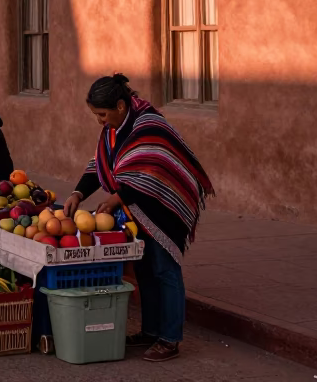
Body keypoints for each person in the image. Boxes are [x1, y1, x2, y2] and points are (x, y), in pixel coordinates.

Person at [64, 74, 214, 363]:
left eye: (102, 114)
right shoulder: (113, 129)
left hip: (163, 206)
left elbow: (147, 171)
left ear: (120, 105)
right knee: (144, 271)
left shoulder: (149, 125)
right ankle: (151, 331)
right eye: (96, 115)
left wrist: (114, 199)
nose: (100, 121)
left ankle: (169, 339)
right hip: (136, 209)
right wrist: (77, 193)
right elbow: (101, 164)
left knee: (164, 269)